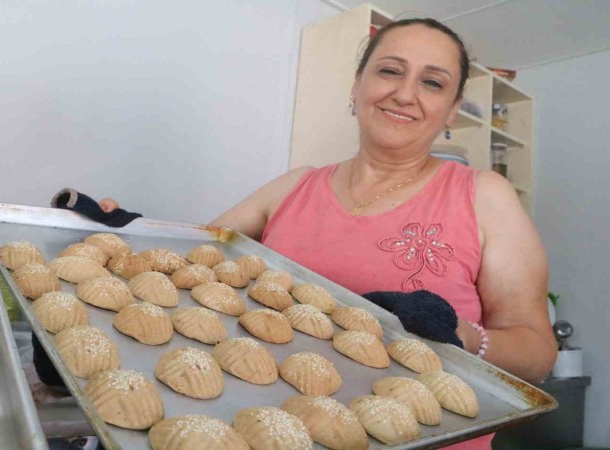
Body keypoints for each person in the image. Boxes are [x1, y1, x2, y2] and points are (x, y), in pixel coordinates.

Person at [102, 18, 556, 450]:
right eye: (390, 71)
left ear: (453, 109)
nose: (404, 93)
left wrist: (463, 335)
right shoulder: (295, 186)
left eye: (432, 82)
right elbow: (191, 256)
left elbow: (537, 351)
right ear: (357, 85)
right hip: (279, 429)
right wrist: (126, 228)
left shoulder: (482, 195)